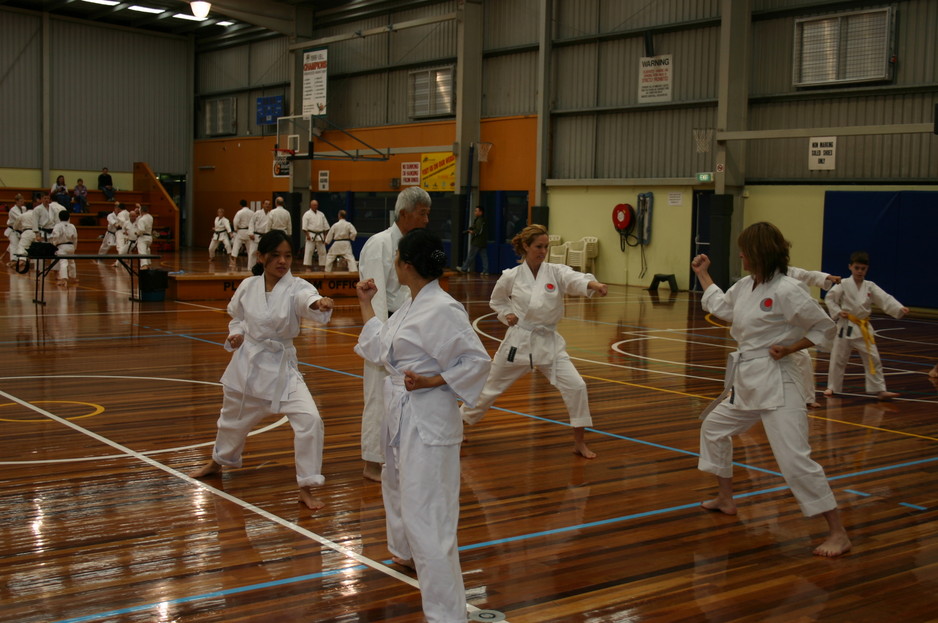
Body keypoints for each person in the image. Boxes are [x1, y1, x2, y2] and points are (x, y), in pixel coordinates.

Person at [690, 221, 851, 557]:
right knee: (714, 428)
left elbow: (824, 328)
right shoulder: (747, 286)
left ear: (760, 252)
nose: (741, 255)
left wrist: (791, 348)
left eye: (745, 250)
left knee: (793, 459)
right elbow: (722, 308)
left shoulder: (787, 290)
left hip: (780, 381)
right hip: (748, 380)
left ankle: (838, 532)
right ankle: (725, 498)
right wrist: (704, 274)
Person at [355, 228, 491, 623]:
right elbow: (382, 348)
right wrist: (366, 303)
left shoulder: (443, 309)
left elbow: (476, 363)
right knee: (409, 508)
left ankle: (447, 617)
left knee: (432, 522)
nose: (393, 266)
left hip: (430, 423)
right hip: (404, 418)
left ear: (405, 265)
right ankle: (412, 565)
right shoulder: (412, 306)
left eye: (396, 259)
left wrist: (433, 380)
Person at [189, 229, 335, 510]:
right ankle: (217, 462)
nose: (283, 261)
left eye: (288, 255)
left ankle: (306, 485)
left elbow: (309, 299)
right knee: (232, 420)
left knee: (310, 420)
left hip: (282, 367)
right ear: (261, 256)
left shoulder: (297, 287)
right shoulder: (248, 286)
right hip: (249, 364)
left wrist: (320, 303)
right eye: (276, 255)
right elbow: (237, 318)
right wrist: (237, 335)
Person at [460, 224, 608, 459]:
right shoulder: (512, 275)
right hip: (519, 341)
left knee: (577, 386)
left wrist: (594, 285)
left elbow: (574, 279)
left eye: (546, 246)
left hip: (549, 342)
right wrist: (506, 314)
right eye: (538, 246)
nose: (543, 251)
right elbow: (497, 301)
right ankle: (459, 425)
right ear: (526, 247)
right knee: (489, 387)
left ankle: (579, 442)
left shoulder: (555, 272)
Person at [356, 186, 431, 481]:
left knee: (406, 396)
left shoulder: (418, 244)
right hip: (385, 327)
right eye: (422, 214)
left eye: (428, 214)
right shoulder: (380, 244)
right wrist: (379, 336)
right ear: (404, 214)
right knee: (377, 396)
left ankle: (402, 454)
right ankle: (372, 462)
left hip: (412, 329)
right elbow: (374, 295)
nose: (426, 220)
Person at [823, 252, 909, 401]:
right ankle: (832, 386)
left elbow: (885, 298)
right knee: (838, 357)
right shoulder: (843, 284)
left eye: (863, 268)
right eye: (857, 268)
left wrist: (899, 308)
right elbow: (829, 299)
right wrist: (838, 311)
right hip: (846, 325)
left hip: (863, 326)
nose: (860, 271)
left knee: (873, 357)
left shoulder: (870, 286)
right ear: (850, 267)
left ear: (867, 269)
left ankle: (879, 390)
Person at [787, 267, 843, 408]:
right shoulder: (760, 276)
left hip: (787, 329)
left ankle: (808, 398)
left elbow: (808, 275)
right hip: (765, 329)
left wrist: (828, 277)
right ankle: (735, 391)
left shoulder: (790, 272)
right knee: (749, 359)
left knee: (804, 359)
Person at [458, 205, 489, 275]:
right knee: (484, 256)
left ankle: (464, 268)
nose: (475, 212)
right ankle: (485, 270)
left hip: (477, 241)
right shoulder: (481, 220)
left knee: (471, 255)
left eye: (476, 211)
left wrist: (473, 232)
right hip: (482, 241)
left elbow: (479, 231)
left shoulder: (479, 220)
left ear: (481, 212)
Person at [50, 209, 78, 286]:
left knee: (63, 262)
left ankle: (63, 279)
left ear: (59, 218)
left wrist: (54, 244)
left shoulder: (58, 226)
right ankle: (73, 277)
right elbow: (75, 237)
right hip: (71, 246)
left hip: (61, 246)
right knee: (71, 262)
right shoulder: (72, 226)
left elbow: (55, 236)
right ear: (69, 217)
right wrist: (74, 247)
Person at [301, 199, 329, 269]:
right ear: (310, 205)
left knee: (322, 251)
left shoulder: (321, 214)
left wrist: (325, 237)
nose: (315, 206)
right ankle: (308, 266)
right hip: (311, 234)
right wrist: (307, 235)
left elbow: (326, 227)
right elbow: (304, 227)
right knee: (309, 251)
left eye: (316, 205)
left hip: (320, 235)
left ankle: (322, 266)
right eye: (314, 205)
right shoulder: (307, 214)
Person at [229, 199, 253, 268]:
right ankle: (251, 263)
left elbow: (235, 221)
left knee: (236, 246)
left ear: (240, 205)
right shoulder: (252, 212)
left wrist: (235, 229)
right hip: (249, 231)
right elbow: (254, 222)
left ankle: (234, 261)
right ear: (247, 204)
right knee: (249, 248)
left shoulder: (240, 212)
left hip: (241, 231)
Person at [248, 200, 272, 265]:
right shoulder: (257, 213)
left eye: (269, 204)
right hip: (256, 235)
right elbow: (251, 222)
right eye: (266, 204)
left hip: (265, 236)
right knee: (253, 252)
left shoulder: (271, 215)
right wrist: (251, 233)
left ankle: (264, 268)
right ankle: (250, 268)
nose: (267, 205)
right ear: (263, 205)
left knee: (265, 253)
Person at [4, 193, 26, 265]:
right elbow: (20, 218)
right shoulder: (13, 210)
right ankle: (13, 261)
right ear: (16, 201)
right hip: (12, 230)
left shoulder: (23, 208)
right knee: (14, 245)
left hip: (20, 230)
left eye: (22, 201)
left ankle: (22, 260)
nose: (22, 202)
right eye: (20, 201)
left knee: (20, 245)